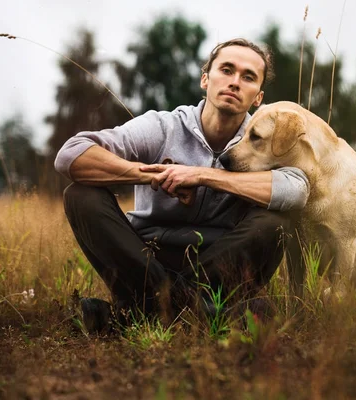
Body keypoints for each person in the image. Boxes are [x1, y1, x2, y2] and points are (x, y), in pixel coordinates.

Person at [54, 38, 309, 333]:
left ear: (258, 98)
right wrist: (152, 175)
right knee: (81, 195)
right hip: (144, 261)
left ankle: (135, 315)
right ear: (205, 79)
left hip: (219, 266)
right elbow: (71, 154)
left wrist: (202, 176)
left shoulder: (266, 138)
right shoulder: (164, 126)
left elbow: (297, 190)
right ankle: (208, 316)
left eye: (248, 76)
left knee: (277, 219)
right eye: (226, 70)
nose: (235, 82)